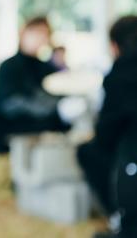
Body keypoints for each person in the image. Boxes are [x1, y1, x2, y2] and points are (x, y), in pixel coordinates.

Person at [0, 16, 85, 154]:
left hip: (42, 127)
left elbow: (59, 90)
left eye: (45, 34)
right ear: (24, 32)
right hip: (12, 130)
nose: (41, 38)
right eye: (37, 32)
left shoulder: (45, 67)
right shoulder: (9, 66)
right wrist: (54, 110)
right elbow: (11, 104)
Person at [77, 15, 137, 238]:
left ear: (114, 46)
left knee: (90, 152)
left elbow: (106, 134)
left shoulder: (120, 74)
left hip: (131, 160)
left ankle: (119, 216)